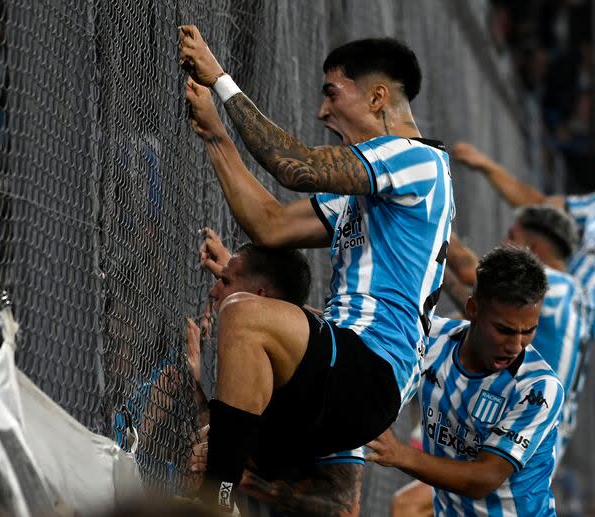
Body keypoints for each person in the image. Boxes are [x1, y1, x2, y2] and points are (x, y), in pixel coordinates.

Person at [180, 27, 453, 511]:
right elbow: (272, 224)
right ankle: (224, 485)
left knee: (243, 314)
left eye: (332, 94)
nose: (322, 112)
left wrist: (221, 81)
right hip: (342, 375)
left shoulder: (417, 161)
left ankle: (213, 501)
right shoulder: (367, 190)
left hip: (369, 369)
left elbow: (295, 166)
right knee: (220, 429)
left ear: (377, 97)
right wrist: (214, 135)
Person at [367, 246, 565, 517]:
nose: (515, 346)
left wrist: (400, 454)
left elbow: (484, 478)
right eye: (504, 330)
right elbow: (362, 334)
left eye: (528, 331)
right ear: (473, 309)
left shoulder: (538, 388)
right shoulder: (432, 339)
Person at [188, 228, 363, 517]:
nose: (213, 290)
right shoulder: (251, 352)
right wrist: (192, 385)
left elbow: (346, 509)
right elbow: (224, 440)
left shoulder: (331, 392)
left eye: (224, 280)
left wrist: (245, 480)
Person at [453, 129, 595, 337]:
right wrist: (488, 167)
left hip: (571, 320)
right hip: (551, 305)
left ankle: (436, 237)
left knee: (474, 281)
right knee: (462, 326)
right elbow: (540, 204)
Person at [444, 205, 593, 464]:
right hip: (542, 437)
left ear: (536, 249)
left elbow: (470, 271)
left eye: (512, 237)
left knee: (410, 503)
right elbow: (474, 317)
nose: (504, 243)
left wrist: (430, 218)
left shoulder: (554, 286)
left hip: (521, 433)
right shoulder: (576, 299)